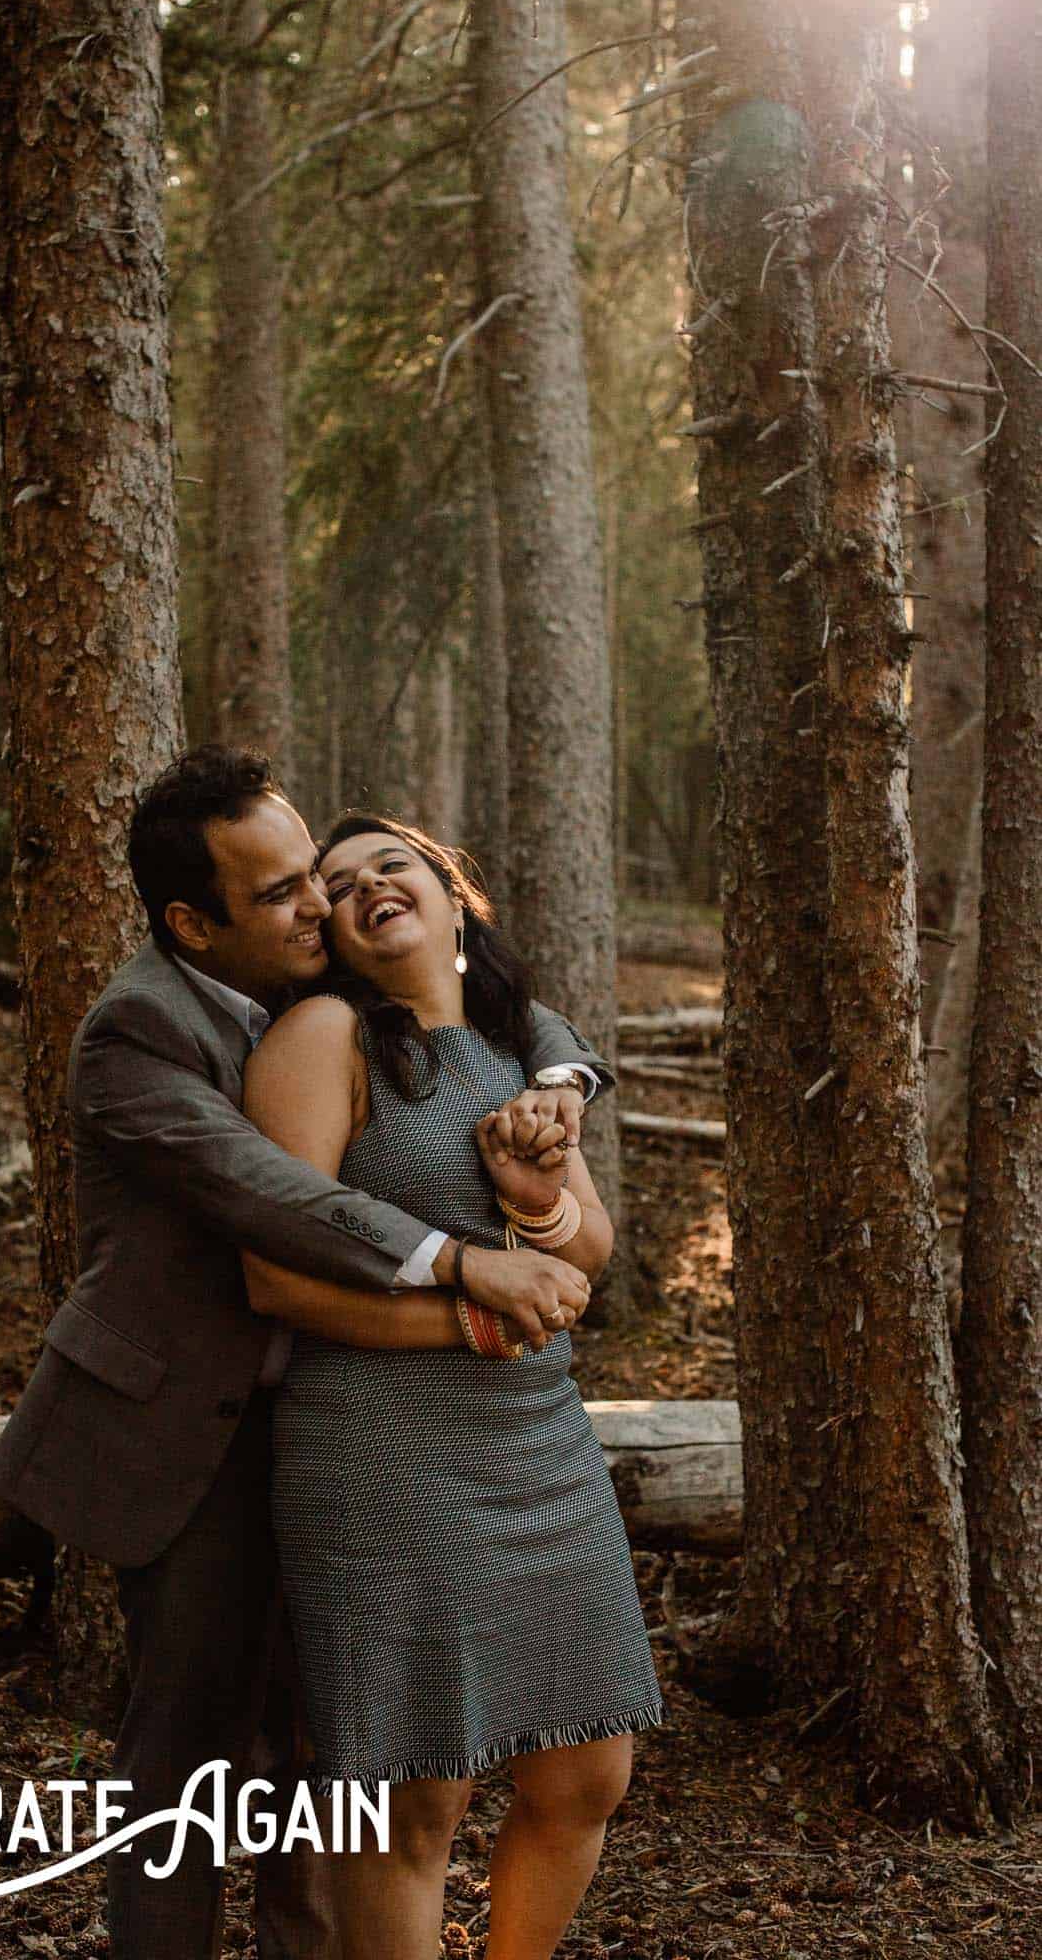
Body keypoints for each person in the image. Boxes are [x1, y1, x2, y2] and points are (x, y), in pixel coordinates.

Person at [0, 745, 613, 1960]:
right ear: (192, 921)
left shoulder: (307, 974)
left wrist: (565, 1076)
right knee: (187, 1765)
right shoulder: (135, 1031)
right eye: (278, 890)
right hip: (188, 1428)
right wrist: (466, 1271)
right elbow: (273, 1198)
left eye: (309, 875)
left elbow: (494, 994)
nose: (315, 904)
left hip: (344, 1419)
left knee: (324, 1762)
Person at [239, 812, 663, 1960]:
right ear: (326, 929)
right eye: (339, 882)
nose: (369, 883)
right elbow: (275, 1272)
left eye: (393, 863)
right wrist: (468, 1315)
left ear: (447, 887)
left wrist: (535, 1200)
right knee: (413, 1800)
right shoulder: (323, 1035)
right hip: (381, 1447)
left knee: (585, 1770)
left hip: (539, 1439)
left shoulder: (514, 1041)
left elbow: (587, 1252)